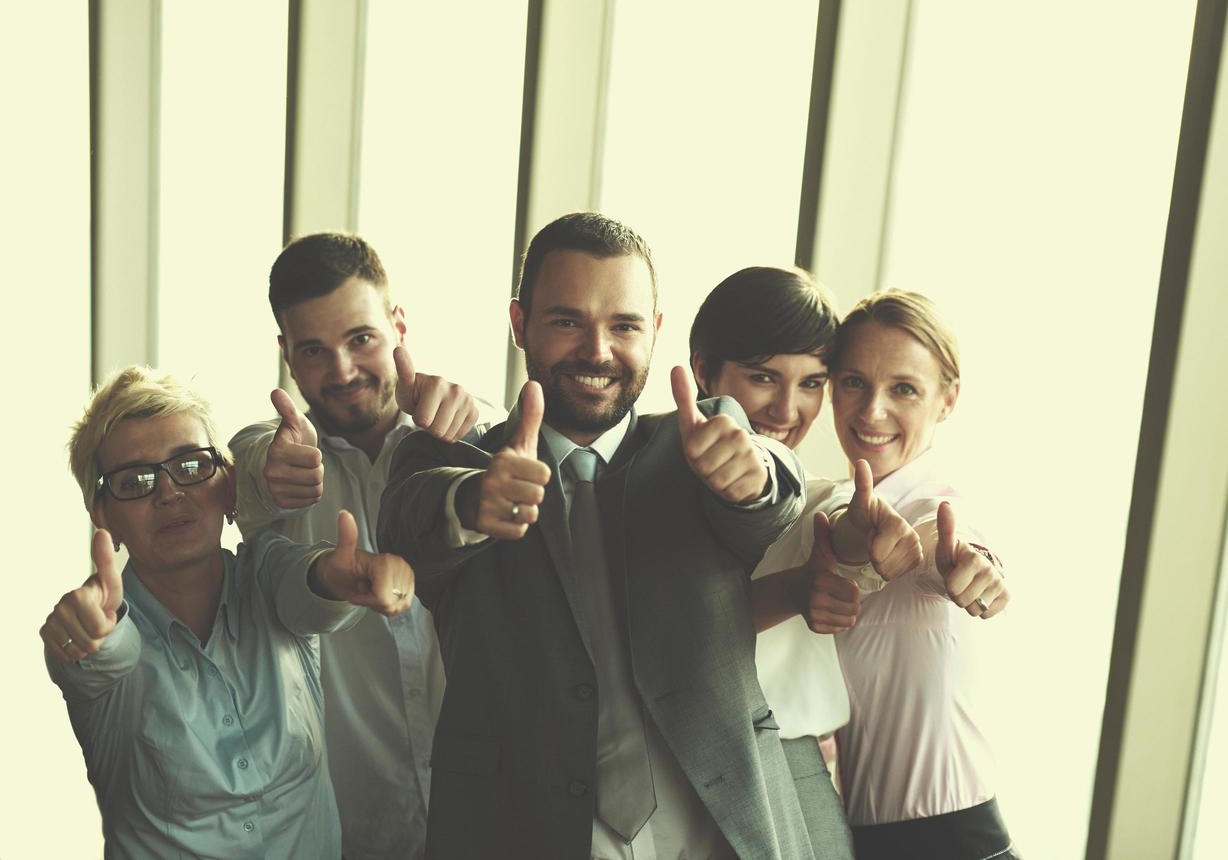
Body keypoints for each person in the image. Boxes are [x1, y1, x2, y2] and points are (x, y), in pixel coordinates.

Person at [378, 213, 823, 860]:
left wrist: (753, 476)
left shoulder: (702, 441)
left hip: (718, 830)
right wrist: (476, 503)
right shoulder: (458, 461)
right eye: (567, 321)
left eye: (624, 325)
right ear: (519, 323)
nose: (598, 350)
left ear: (656, 333)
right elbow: (411, 517)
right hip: (522, 832)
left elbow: (774, 483)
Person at [42, 366, 416, 860]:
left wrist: (347, 575)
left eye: (191, 465)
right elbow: (102, 656)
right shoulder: (107, 628)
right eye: (136, 481)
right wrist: (84, 634)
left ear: (229, 483)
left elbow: (309, 585)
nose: (169, 492)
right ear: (102, 514)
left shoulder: (266, 574)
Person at [230, 231, 499, 860]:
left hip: (493, 819)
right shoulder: (273, 459)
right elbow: (242, 469)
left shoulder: (476, 431)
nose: (343, 371)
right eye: (315, 351)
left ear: (398, 324)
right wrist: (267, 468)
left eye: (361, 339)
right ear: (286, 356)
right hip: (354, 832)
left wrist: (481, 433)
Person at [820, 289, 1016, 859]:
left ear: (947, 400)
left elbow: (942, 541)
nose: (871, 411)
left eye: (903, 388)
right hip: (872, 840)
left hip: (953, 843)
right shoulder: (835, 506)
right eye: (854, 381)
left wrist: (973, 567)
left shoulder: (938, 502)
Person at [687, 265, 856, 859]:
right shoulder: (639, 491)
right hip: (664, 768)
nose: (789, 408)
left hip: (792, 762)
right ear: (704, 369)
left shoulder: (818, 500)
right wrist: (792, 592)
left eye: (813, 383)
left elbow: (853, 526)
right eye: (764, 377)